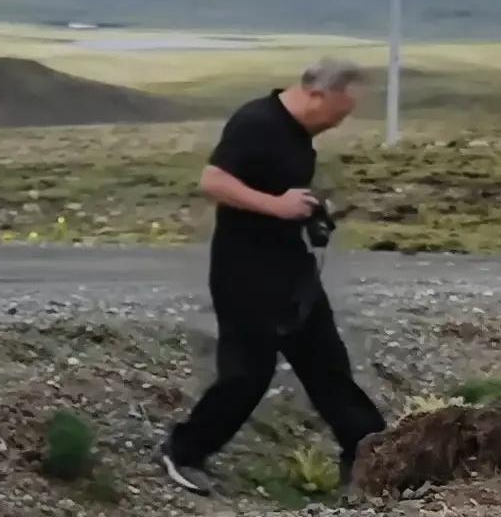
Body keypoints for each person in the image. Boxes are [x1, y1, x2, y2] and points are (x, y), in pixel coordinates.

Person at [162, 57, 387, 491]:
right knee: (247, 374)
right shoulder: (257, 122)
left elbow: (272, 187)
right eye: (341, 111)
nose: (341, 122)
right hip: (244, 272)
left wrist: (305, 210)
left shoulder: (298, 136)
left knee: (328, 367)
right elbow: (214, 180)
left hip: (292, 269)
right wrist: (278, 206)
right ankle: (184, 451)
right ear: (318, 93)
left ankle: (371, 457)